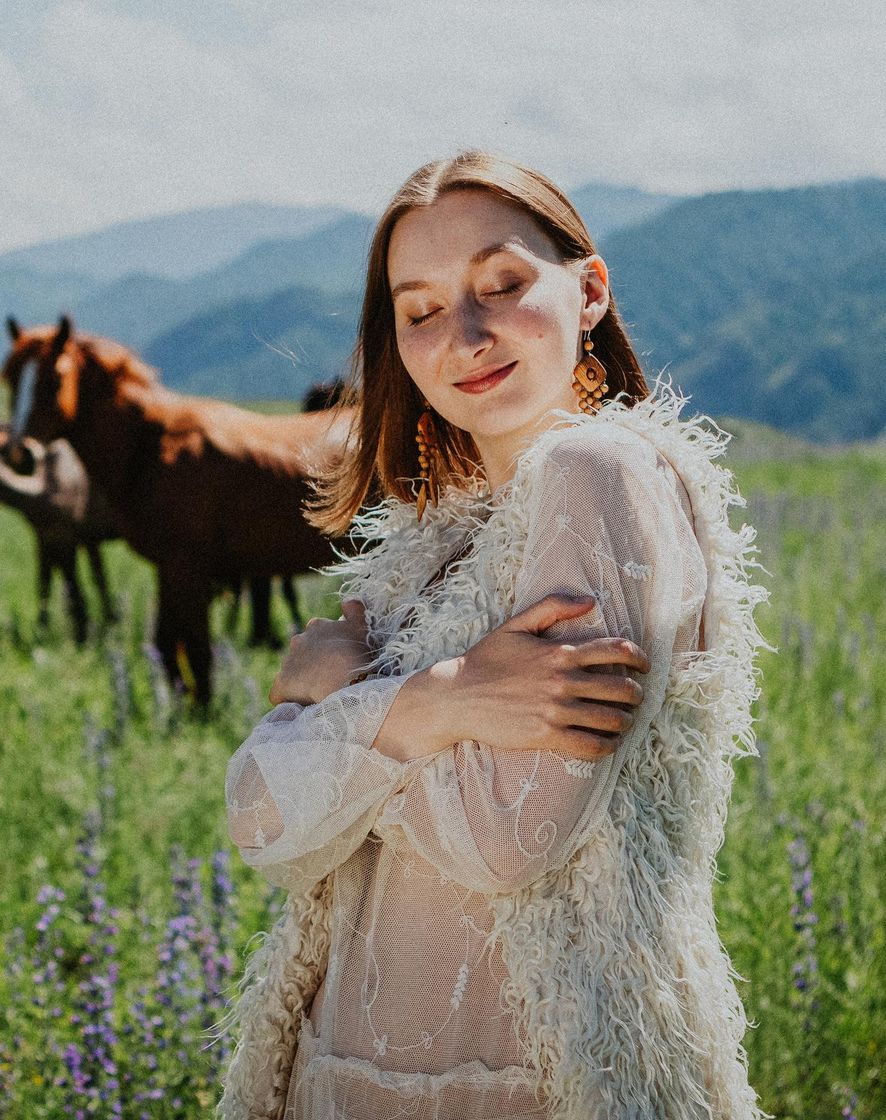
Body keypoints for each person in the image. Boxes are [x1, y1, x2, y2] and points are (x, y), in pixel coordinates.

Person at [221, 151, 764, 1120]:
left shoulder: (600, 474)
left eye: (502, 285)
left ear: (589, 291)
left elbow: (506, 837)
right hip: (344, 1071)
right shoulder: (424, 539)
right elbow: (260, 819)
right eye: (421, 310)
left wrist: (340, 708)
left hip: (532, 1076)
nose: (463, 336)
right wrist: (444, 702)